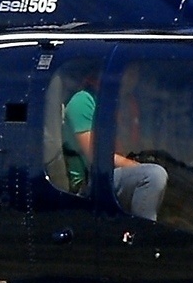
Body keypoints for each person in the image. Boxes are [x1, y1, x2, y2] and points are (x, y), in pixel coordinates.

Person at [62, 69, 167, 220]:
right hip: (92, 180)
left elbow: (136, 146)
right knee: (153, 176)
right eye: (129, 71)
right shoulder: (83, 101)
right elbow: (97, 158)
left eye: (135, 72)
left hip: (119, 173)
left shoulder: (127, 103)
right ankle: (144, 235)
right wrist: (137, 167)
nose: (134, 78)